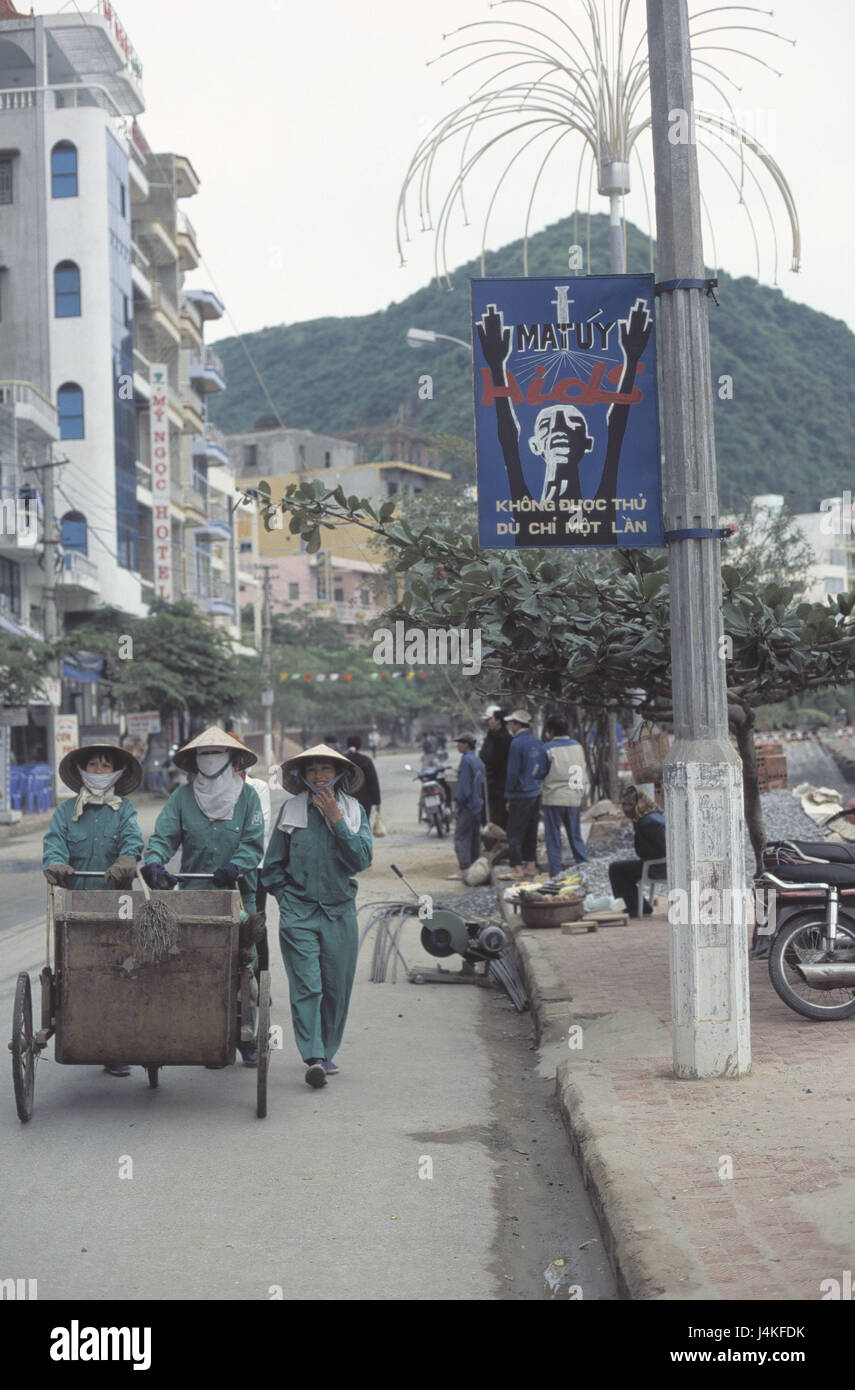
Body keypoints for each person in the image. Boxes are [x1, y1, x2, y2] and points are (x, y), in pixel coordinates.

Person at [141, 727, 265, 1063]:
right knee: (195, 965)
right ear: (194, 761)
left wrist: (236, 865)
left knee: (241, 965)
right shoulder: (181, 798)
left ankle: (248, 1033)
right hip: (194, 895)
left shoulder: (248, 797)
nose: (210, 759)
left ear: (232, 758)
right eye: (203, 754)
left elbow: (254, 844)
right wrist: (154, 862)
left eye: (217, 753)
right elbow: (164, 836)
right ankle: (201, 1030)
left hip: (237, 895)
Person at [260, 743, 372, 1089]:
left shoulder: (354, 811)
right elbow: (272, 867)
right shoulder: (291, 811)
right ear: (303, 776)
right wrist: (287, 899)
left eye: (325, 769)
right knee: (307, 985)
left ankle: (327, 1048)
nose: (318, 776)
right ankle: (313, 1056)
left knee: (336, 987)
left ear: (339, 773)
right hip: (300, 913)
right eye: (312, 771)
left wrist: (337, 820)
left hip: (340, 913)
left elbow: (361, 860)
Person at [43, 743, 144, 1077]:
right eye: (94, 765)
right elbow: (55, 841)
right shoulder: (66, 811)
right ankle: (80, 1036)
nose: (99, 770)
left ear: (115, 772)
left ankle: (115, 1048)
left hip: (117, 904)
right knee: (76, 974)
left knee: (118, 973)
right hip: (76, 906)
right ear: (83, 771)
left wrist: (127, 860)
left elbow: (132, 838)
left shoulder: (124, 809)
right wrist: (56, 862)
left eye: (105, 765)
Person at [541, 714, 589, 878]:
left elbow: (539, 772)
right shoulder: (578, 746)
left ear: (551, 731)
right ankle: (584, 870)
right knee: (576, 836)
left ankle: (556, 875)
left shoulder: (548, 748)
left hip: (554, 798)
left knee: (553, 839)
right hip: (574, 797)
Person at [608, 786, 666, 918]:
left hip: (658, 867)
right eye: (624, 804)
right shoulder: (652, 814)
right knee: (622, 869)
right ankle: (640, 906)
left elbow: (661, 848)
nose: (626, 808)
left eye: (630, 804)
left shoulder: (648, 822)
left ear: (639, 803)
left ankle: (638, 908)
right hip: (658, 863)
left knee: (617, 869)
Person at [504, 710, 548, 880]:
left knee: (514, 832)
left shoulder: (516, 744)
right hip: (535, 792)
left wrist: (508, 795)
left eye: (511, 723)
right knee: (531, 830)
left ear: (516, 725)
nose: (510, 726)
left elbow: (513, 773)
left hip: (520, 794)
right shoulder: (537, 741)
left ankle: (517, 868)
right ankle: (530, 865)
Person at [451, 733, 485, 878]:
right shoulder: (477, 760)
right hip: (477, 804)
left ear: (466, 744)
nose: (458, 745)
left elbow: (464, 787)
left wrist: (458, 806)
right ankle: (474, 867)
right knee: (474, 837)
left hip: (468, 805)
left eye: (460, 742)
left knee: (461, 836)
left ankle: (464, 868)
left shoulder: (466, 760)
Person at [479, 706, 512, 828]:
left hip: (501, 788)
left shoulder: (505, 739)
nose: (487, 723)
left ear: (498, 720)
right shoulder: (490, 737)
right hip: (489, 788)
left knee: (500, 821)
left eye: (489, 719)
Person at [345, 735, 382, 826]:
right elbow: (373, 782)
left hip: (345, 799)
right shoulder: (365, 760)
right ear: (359, 745)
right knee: (363, 824)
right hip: (364, 800)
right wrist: (377, 802)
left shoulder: (341, 759)